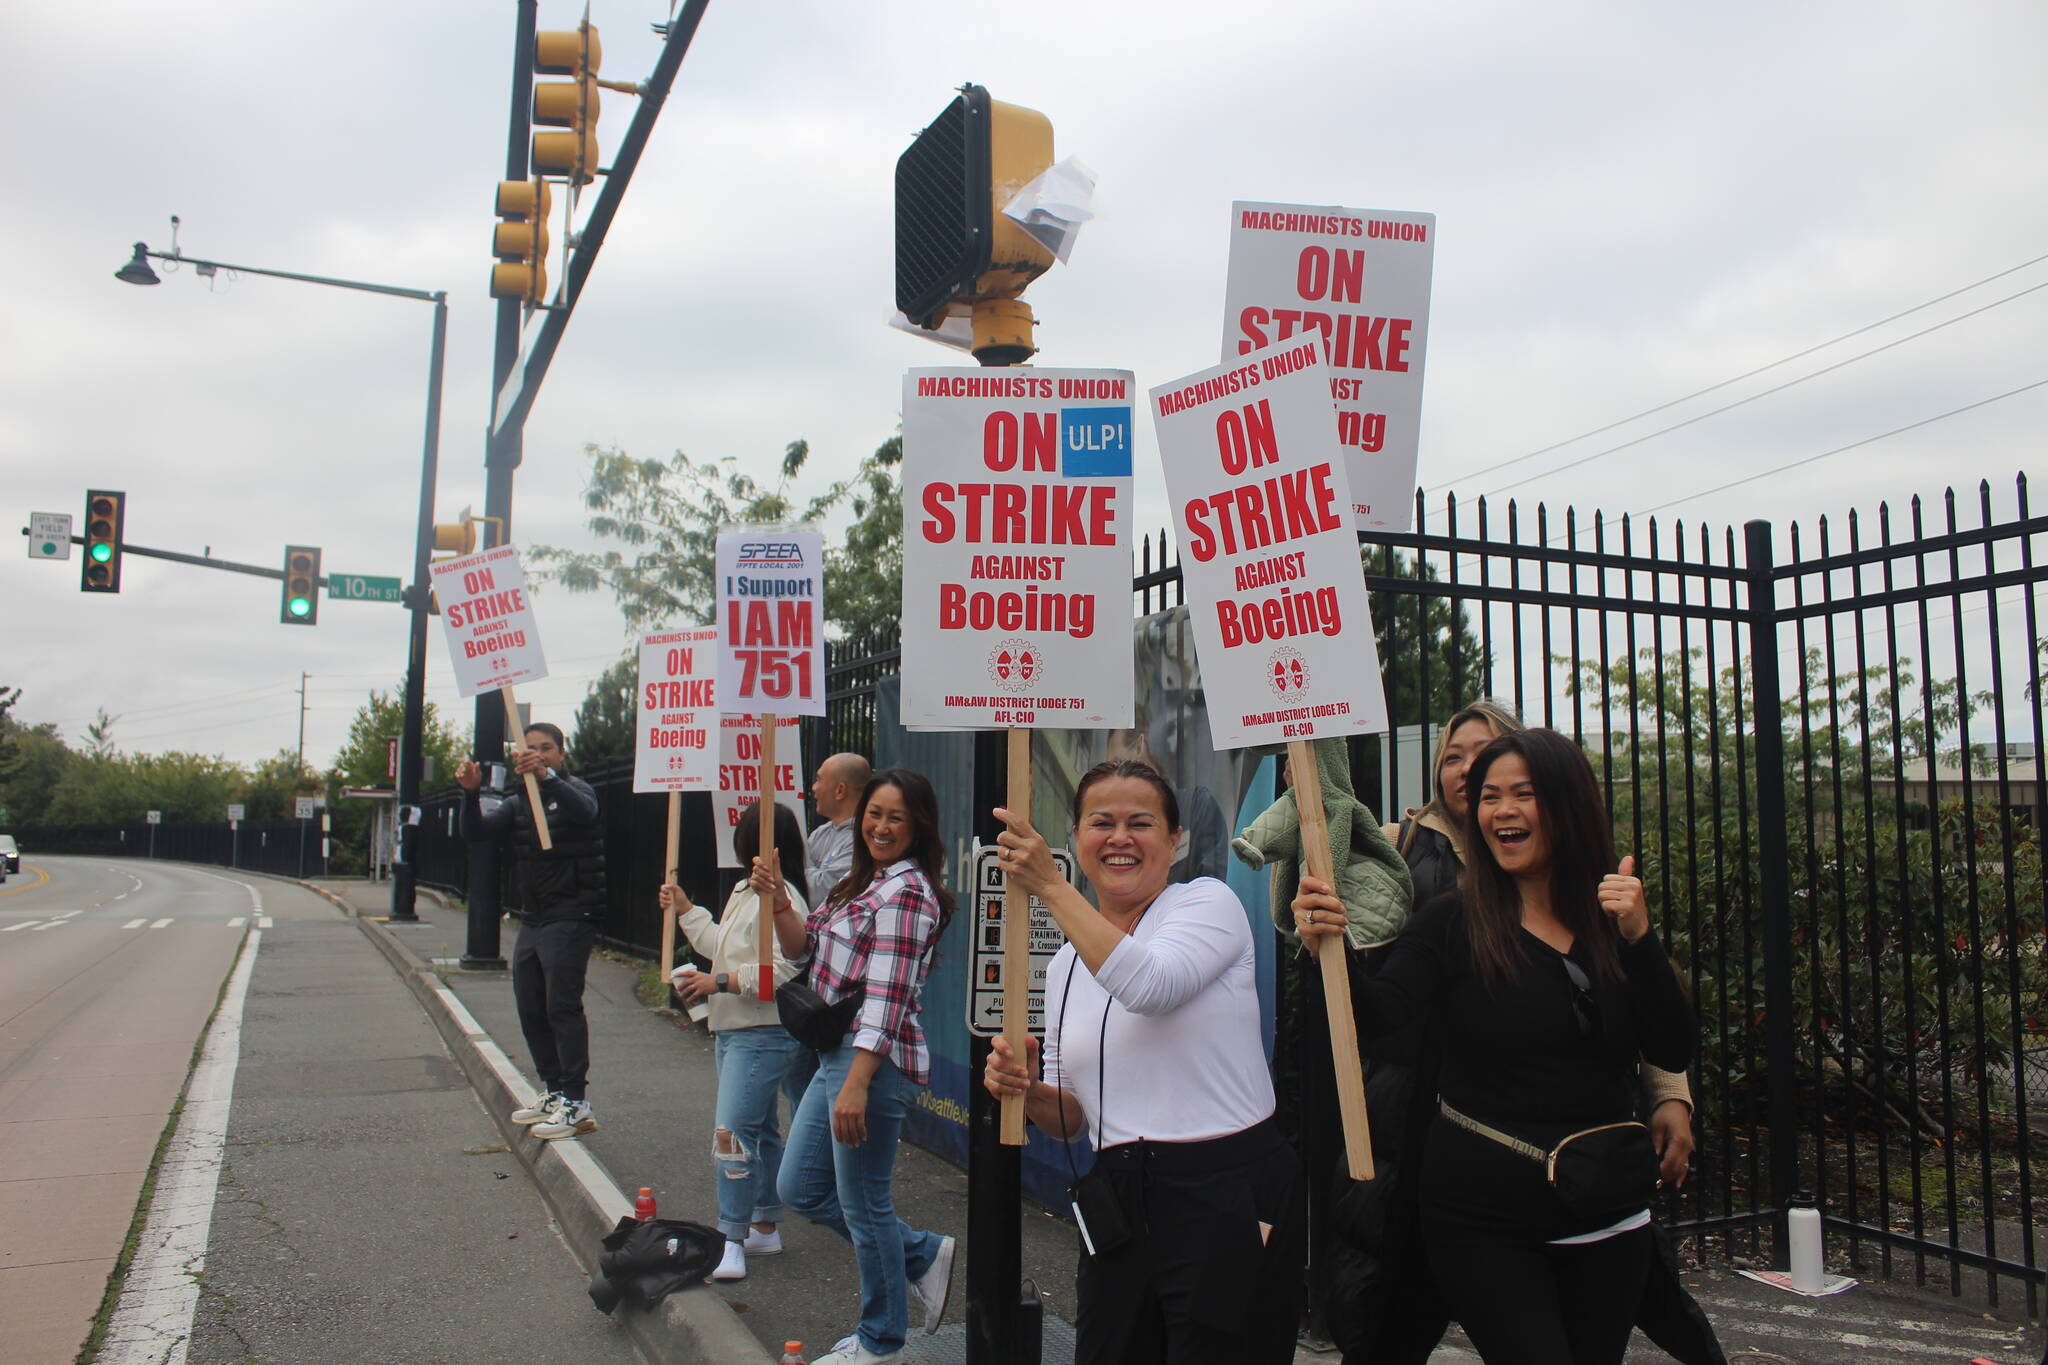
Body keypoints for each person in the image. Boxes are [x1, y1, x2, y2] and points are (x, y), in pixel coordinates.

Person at [1295, 729, 1694, 1365]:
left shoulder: (1610, 917)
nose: (1501, 811)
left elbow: (1672, 1044)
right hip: (1484, 1217)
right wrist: (1326, 950)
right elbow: (1380, 1017)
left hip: (1607, 1209)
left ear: (1567, 804)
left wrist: (1640, 938)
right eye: (1489, 797)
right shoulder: (1452, 921)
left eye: (1523, 795)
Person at [983, 758, 1305, 1365]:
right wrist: (1026, 1090)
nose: (1120, 838)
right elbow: (1071, 1117)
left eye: (1142, 822)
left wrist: (1051, 886)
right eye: (1101, 822)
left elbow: (1151, 985)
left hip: (1225, 1190)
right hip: (1121, 1200)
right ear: (1077, 839)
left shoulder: (1207, 905)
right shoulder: (1062, 969)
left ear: (1175, 840)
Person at [767, 768, 957, 1365]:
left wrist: (856, 1081)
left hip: (870, 1060)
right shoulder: (863, 882)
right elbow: (804, 949)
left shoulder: (907, 893)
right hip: (835, 1053)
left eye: (896, 817)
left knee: (864, 1204)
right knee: (799, 1188)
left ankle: (879, 1342)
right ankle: (921, 1254)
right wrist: (778, 901)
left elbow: (889, 995)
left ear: (918, 825)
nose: (881, 826)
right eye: (874, 813)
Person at [658, 800, 817, 1283]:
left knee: (732, 1133)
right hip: (736, 1031)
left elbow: (788, 968)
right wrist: (687, 911)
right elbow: (722, 945)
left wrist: (719, 983)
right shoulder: (746, 891)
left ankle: (731, 1237)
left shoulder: (782, 895)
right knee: (760, 1129)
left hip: (761, 1032)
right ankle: (763, 1223)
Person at [456, 723, 606, 1141]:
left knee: (561, 1003)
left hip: (574, 911)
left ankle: (576, 1102)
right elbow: (477, 834)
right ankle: (554, 1090)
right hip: (535, 916)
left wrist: (548, 779)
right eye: (530, 750)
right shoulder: (517, 801)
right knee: (530, 1003)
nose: (537, 755)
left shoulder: (576, 789)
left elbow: (586, 812)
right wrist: (469, 793)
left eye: (546, 749)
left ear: (560, 753)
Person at [806, 752, 871, 898]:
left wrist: (793, 867)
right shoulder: (820, 833)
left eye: (819, 780)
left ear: (840, 790)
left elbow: (823, 893)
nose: (814, 788)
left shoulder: (861, 838)